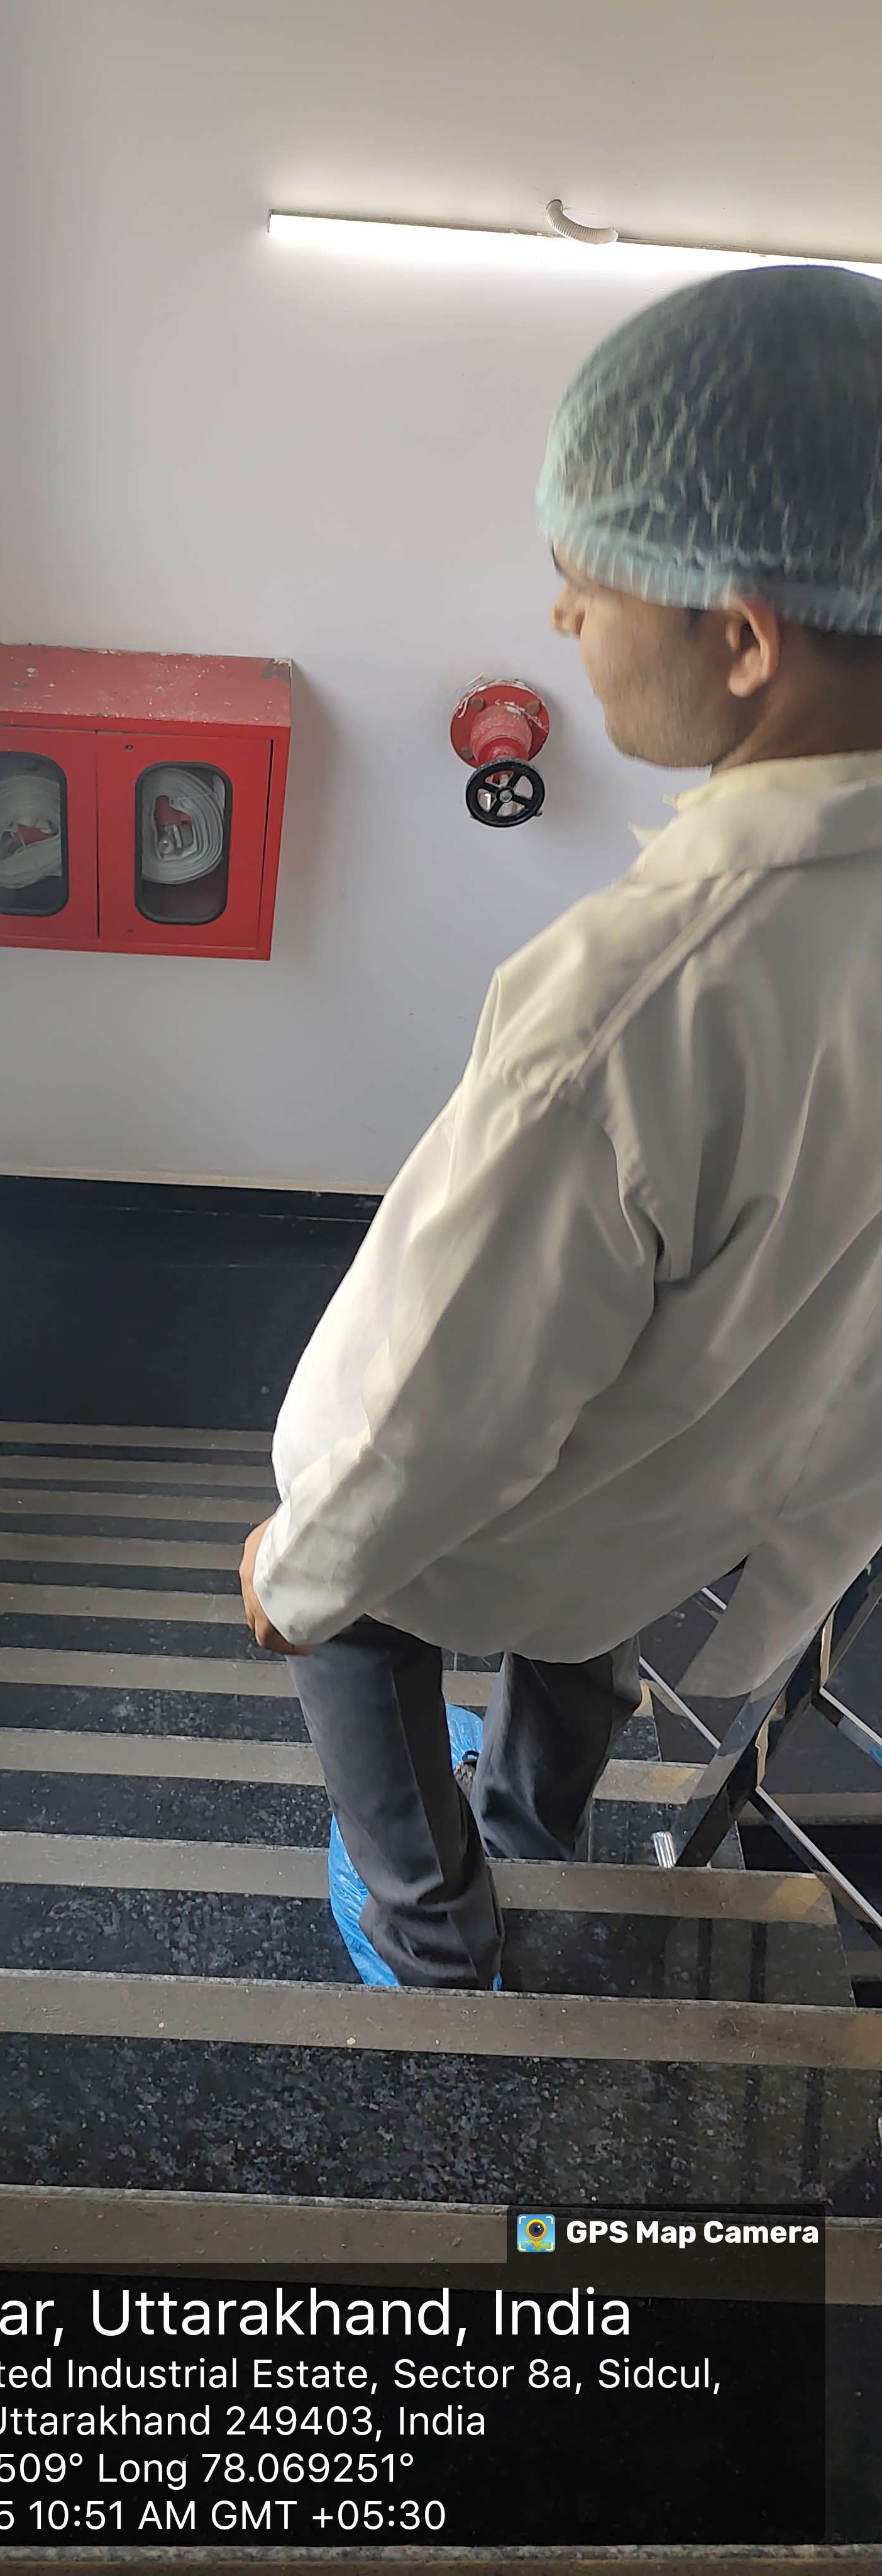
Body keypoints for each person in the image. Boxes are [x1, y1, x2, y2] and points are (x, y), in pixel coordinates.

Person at [238, 262, 882, 1992]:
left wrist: (297, 1565)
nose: (562, 619)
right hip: (706, 1502)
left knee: (351, 1621)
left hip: (536, 1493)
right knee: (589, 1625)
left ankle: (436, 1936)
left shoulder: (635, 1004)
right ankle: (529, 1832)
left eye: (589, 585)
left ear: (743, 639)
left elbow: (442, 1401)